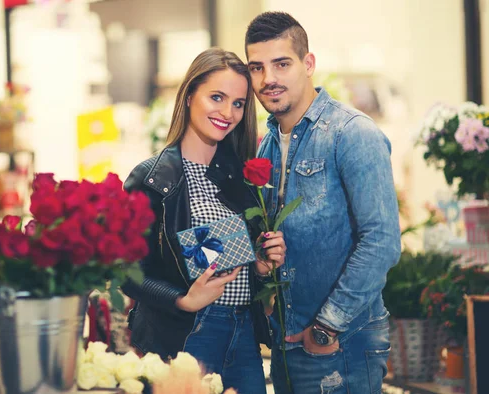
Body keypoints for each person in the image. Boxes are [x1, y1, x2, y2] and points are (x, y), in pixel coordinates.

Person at [244, 11, 401, 394]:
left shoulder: (351, 133)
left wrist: (327, 326)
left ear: (308, 64)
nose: (269, 80)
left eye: (282, 63)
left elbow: (381, 241)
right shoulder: (265, 148)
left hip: (340, 343)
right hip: (287, 342)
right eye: (257, 68)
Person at [123, 47, 286, 394]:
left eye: (239, 103)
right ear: (189, 95)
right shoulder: (152, 178)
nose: (228, 112)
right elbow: (126, 272)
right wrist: (182, 300)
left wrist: (259, 266)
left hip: (243, 334)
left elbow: (233, 268)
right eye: (217, 97)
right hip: (187, 335)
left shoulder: (242, 180)